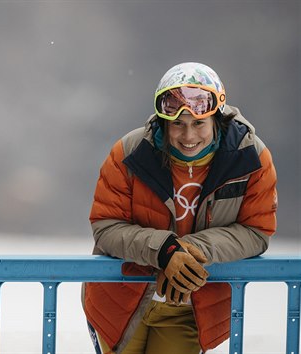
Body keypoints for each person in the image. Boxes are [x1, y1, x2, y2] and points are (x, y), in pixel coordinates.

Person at [82, 62, 277, 354]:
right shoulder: (129, 152)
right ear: (164, 122)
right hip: (119, 300)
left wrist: (191, 248)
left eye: (198, 124)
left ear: (216, 119)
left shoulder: (251, 159)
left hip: (193, 307)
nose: (188, 137)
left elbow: (257, 230)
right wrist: (164, 250)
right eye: (178, 124)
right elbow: (106, 226)